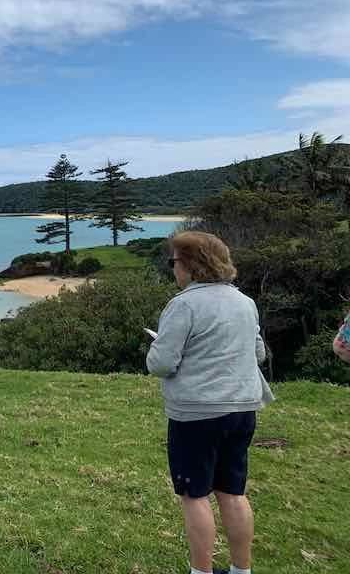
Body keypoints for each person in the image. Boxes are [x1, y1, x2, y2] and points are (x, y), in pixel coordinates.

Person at [146, 232, 273, 574]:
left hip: (197, 414)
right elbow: (258, 352)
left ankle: (200, 572)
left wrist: (156, 347)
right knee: (232, 492)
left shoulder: (184, 304)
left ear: (188, 264)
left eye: (173, 262)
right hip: (243, 408)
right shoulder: (245, 302)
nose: (173, 269)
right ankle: (240, 570)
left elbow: (161, 363)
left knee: (195, 495)